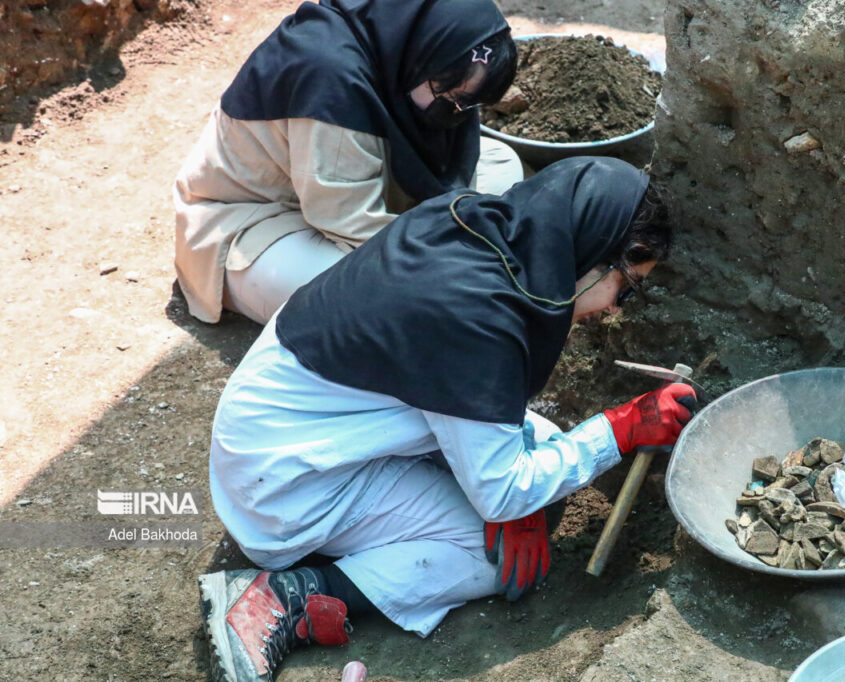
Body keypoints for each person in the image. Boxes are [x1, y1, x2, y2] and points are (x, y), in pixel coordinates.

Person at [196, 157, 698, 681]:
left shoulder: (472, 225)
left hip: (291, 425)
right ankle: (285, 597)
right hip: (288, 486)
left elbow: (466, 396)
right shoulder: (476, 321)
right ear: (597, 255)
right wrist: (619, 430)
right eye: (628, 287)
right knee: (493, 557)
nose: (618, 308)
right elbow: (502, 490)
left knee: (545, 457)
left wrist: (521, 489)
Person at [174, 0, 521, 325]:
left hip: (338, 188)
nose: (457, 113)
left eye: (468, 103)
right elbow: (346, 219)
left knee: (501, 165)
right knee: (382, 296)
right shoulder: (330, 82)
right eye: (451, 97)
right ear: (423, 57)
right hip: (256, 221)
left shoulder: (401, 49)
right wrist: (457, 263)